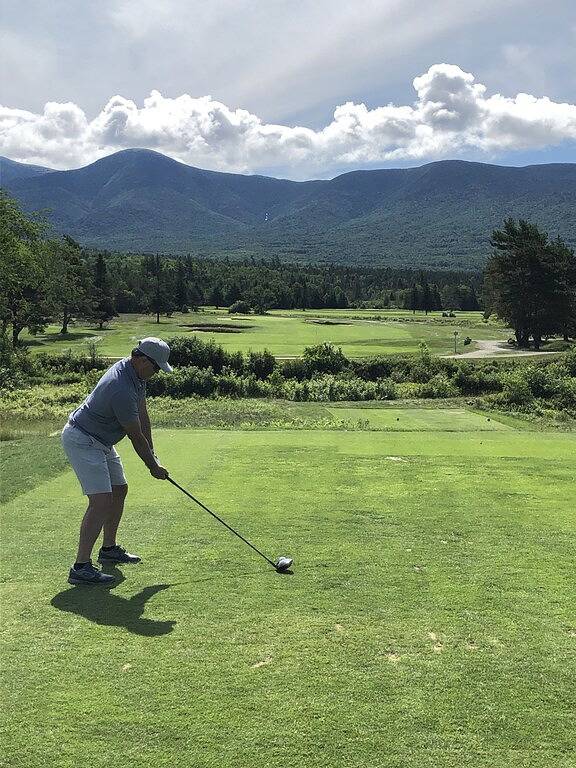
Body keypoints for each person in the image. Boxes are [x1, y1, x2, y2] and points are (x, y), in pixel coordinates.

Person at [61, 337, 173, 586]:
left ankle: (109, 549)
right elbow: (134, 434)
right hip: (83, 438)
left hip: (101, 440)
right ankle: (80, 567)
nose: (156, 373)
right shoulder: (120, 387)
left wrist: (154, 456)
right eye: (156, 368)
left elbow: (143, 417)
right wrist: (152, 467)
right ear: (142, 359)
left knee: (119, 489)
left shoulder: (137, 376)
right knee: (101, 501)